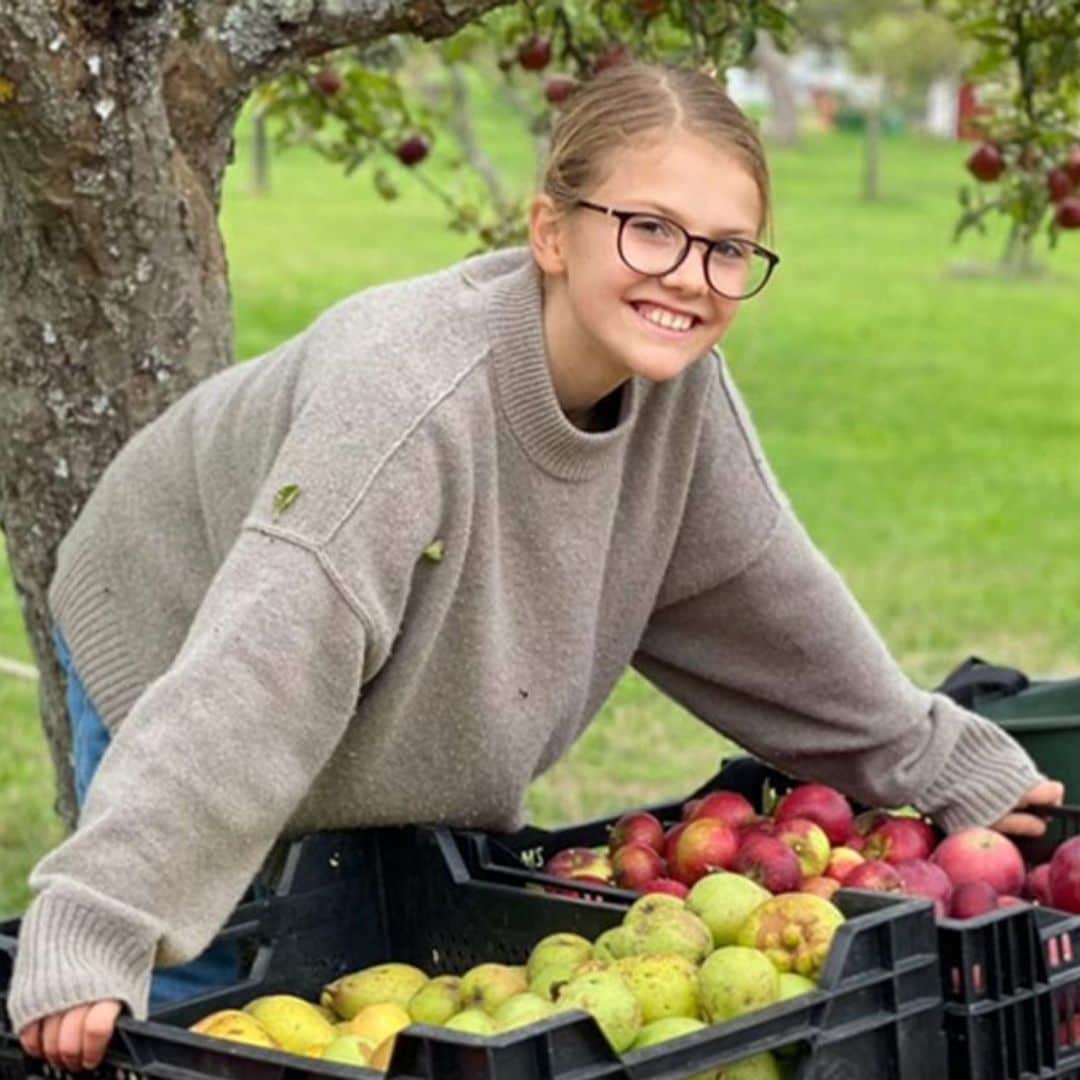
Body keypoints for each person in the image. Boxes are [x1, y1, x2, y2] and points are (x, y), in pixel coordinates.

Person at [12, 60, 1062, 1072]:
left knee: (367, 994)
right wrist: (102, 921)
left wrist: (937, 760)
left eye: (728, 249)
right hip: (189, 615)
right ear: (550, 232)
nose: (689, 279)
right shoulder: (407, 400)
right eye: (650, 229)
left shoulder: (681, 397)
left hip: (349, 672)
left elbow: (764, 602)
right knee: (203, 1004)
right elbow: (260, 671)